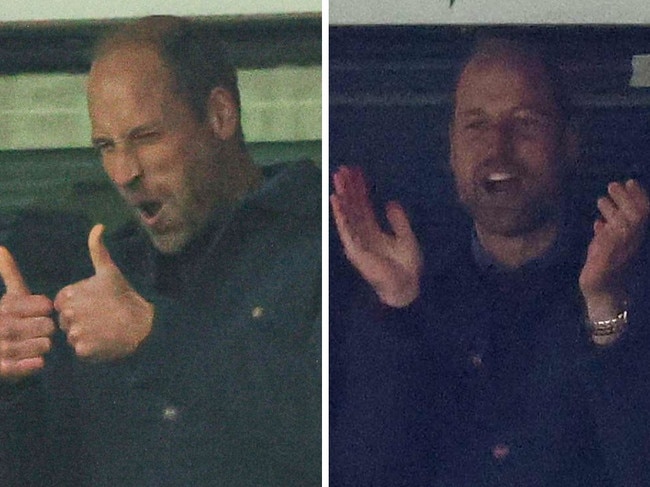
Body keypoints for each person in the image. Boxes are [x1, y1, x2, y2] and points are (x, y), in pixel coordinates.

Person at [0, 16, 320, 486]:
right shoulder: (104, 276)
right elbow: (48, 467)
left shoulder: (318, 244)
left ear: (219, 116)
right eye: (105, 146)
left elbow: (324, 438)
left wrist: (155, 337)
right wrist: (14, 384)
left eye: (146, 138)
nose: (124, 173)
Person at [330, 37, 650, 486]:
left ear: (569, 143)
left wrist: (605, 309)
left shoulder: (625, 271)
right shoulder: (415, 289)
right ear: (451, 150)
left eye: (525, 123)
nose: (497, 150)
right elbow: (365, 472)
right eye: (476, 126)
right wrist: (397, 308)